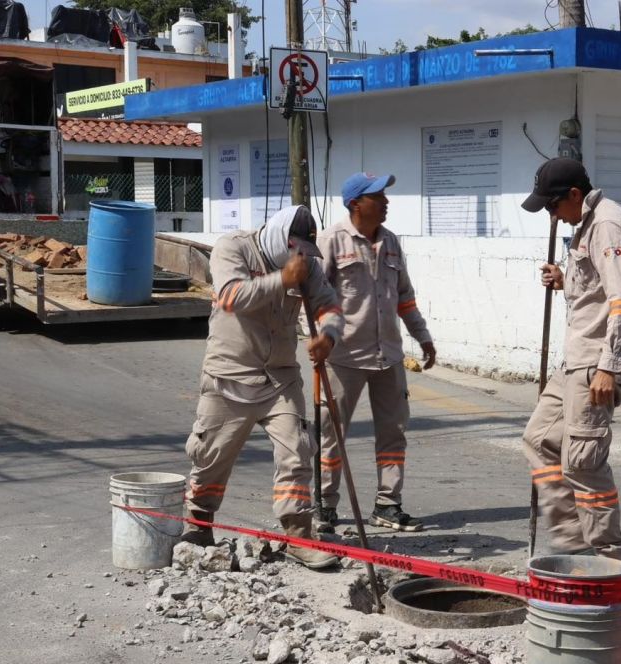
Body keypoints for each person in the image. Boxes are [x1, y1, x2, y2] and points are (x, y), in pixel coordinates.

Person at [182, 205, 343, 570]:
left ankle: (298, 535)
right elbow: (230, 297)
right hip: (229, 376)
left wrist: (329, 336)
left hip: (280, 377)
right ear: (278, 239)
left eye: (305, 252)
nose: (301, 258)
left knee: (298, 450)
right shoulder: (233, 248)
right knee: (211, 456)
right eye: (296, 249)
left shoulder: (307, 266)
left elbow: (329, 304)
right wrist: (282, 280)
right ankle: (198, 525)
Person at [520, 158, 621, 562]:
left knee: (582, 462)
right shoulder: (586, 224)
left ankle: (610, 557)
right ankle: (573, 545)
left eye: (552, 206)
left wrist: (609, 366)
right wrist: (564, 280)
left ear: (574, 196)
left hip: (595, 363)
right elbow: (596, 289)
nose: (551, 215)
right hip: (575, 359)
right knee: (539, 440)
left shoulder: (607, 225)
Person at [315, 172, 436, 533]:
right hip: (344, 357)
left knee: (393, 432)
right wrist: (320, 338)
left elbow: (405, 298)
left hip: (389, 357)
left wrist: (423, 336)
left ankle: (388, 503)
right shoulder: (331, 241)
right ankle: (325, 505)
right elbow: (314, 297)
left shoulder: (392, 242)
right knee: (331, 433)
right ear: (356, 204)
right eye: (378, 197)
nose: (386, 203)